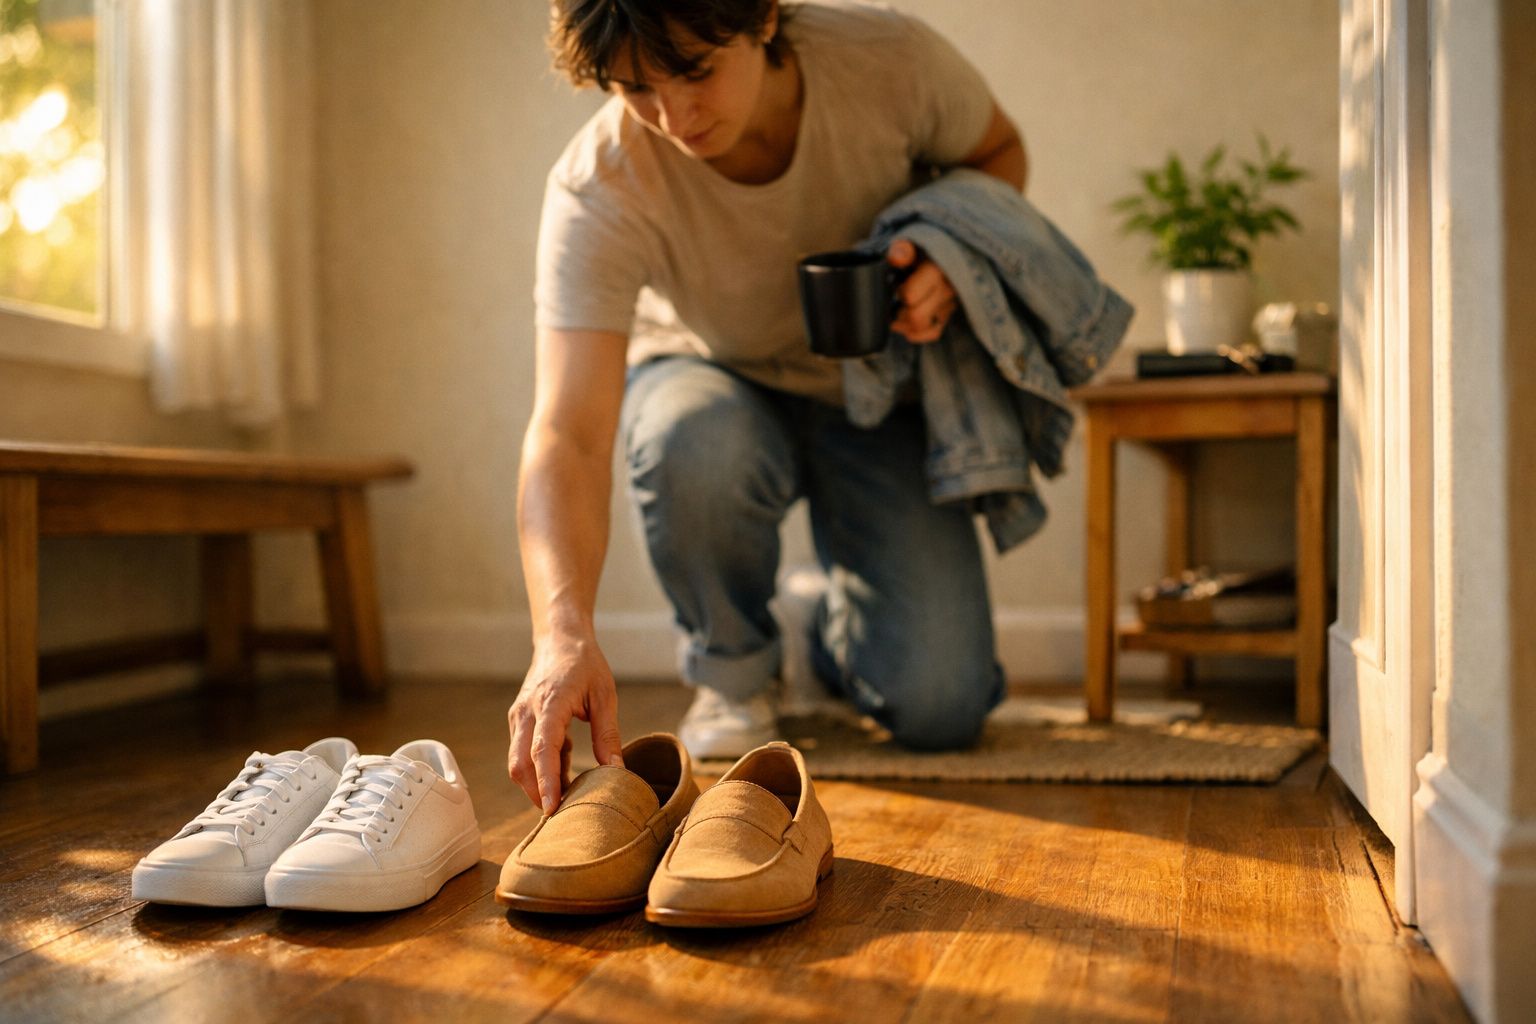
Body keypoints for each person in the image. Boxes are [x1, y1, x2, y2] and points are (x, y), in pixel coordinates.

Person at [508, 0, 1028, 815]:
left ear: (763, 17)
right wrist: (560, 635)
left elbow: (999, 151)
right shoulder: (600, 181)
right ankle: (733, 673)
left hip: (872, 384)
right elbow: (568, 433)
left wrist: (953, 257)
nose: (673, 116)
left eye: (694, 72)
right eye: (635, 87)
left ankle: (819, 621)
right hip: (708, 380)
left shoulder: (889, 58)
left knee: (942, 709)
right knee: (692, 437)